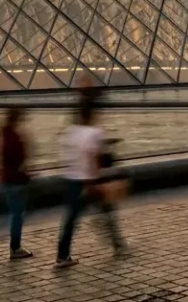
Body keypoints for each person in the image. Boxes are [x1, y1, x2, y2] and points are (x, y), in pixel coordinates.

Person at [56, 103, 124, 268]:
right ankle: (118, 244)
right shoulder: (94, 133)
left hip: (71, 179)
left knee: (70, 219)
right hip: (89, 181)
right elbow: (93, 157)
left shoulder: (69, 132)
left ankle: (62, 255)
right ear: (91, 116)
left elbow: (68, 157)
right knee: (106, 210)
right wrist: (94, 180)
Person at [0, 107, 32, 260]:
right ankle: (15, 248)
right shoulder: (14, 138)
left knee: (14, 213)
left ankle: (15, 246)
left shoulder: (5, 134)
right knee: (17, 215)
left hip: (8, 179)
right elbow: (19, 159)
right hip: (16, 181)